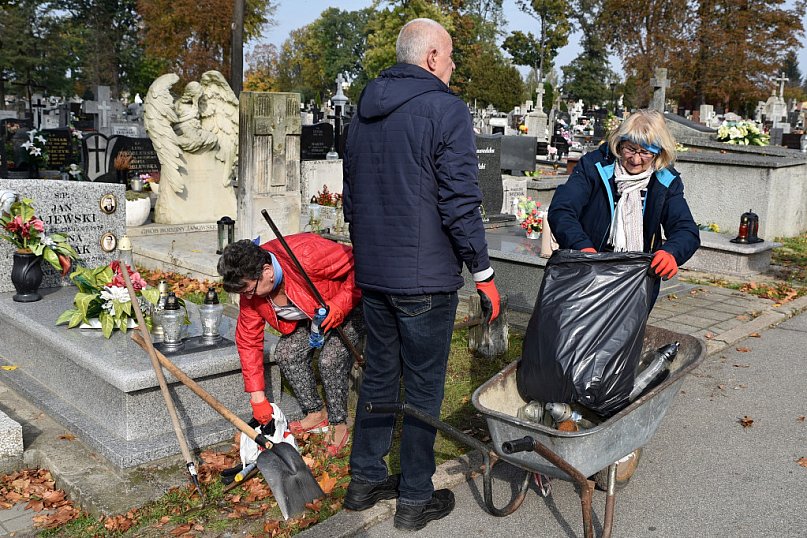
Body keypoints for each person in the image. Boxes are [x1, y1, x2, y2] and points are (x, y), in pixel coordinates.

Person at [341, 18, 501, 532]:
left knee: (380, 375)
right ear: (432, 57)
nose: (452, 67)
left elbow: (351, 196)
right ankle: (414, 496)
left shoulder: (364, 108)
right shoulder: (445, 108)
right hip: (424, 278)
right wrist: (483, 271)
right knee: (424, 387)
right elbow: (460, 200)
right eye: (450, 57)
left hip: (376, 271)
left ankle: (364, 482)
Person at [217, 234, 363, 457]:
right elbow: (248, 341)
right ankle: (316, 413)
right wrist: (257, 397)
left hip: (351, 307)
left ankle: (339, 423)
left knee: (330, 359)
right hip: (314, 317)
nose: (247, 297)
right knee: (286, 352)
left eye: (248, 290)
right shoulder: (251, 291)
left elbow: (361, 266)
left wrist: (339, 305)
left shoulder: (306, 254)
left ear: (267, 271)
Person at [548, 108, 700, 303]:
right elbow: (562, 210)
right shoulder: (593, 166)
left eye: (645, 152)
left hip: (635, 278)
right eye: (630, 149)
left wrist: (671, 253)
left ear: (658, 153)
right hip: (585, 271)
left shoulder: (666, 180)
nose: (636, 159)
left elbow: (685, 229)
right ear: (619, 144)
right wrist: (582, 249)